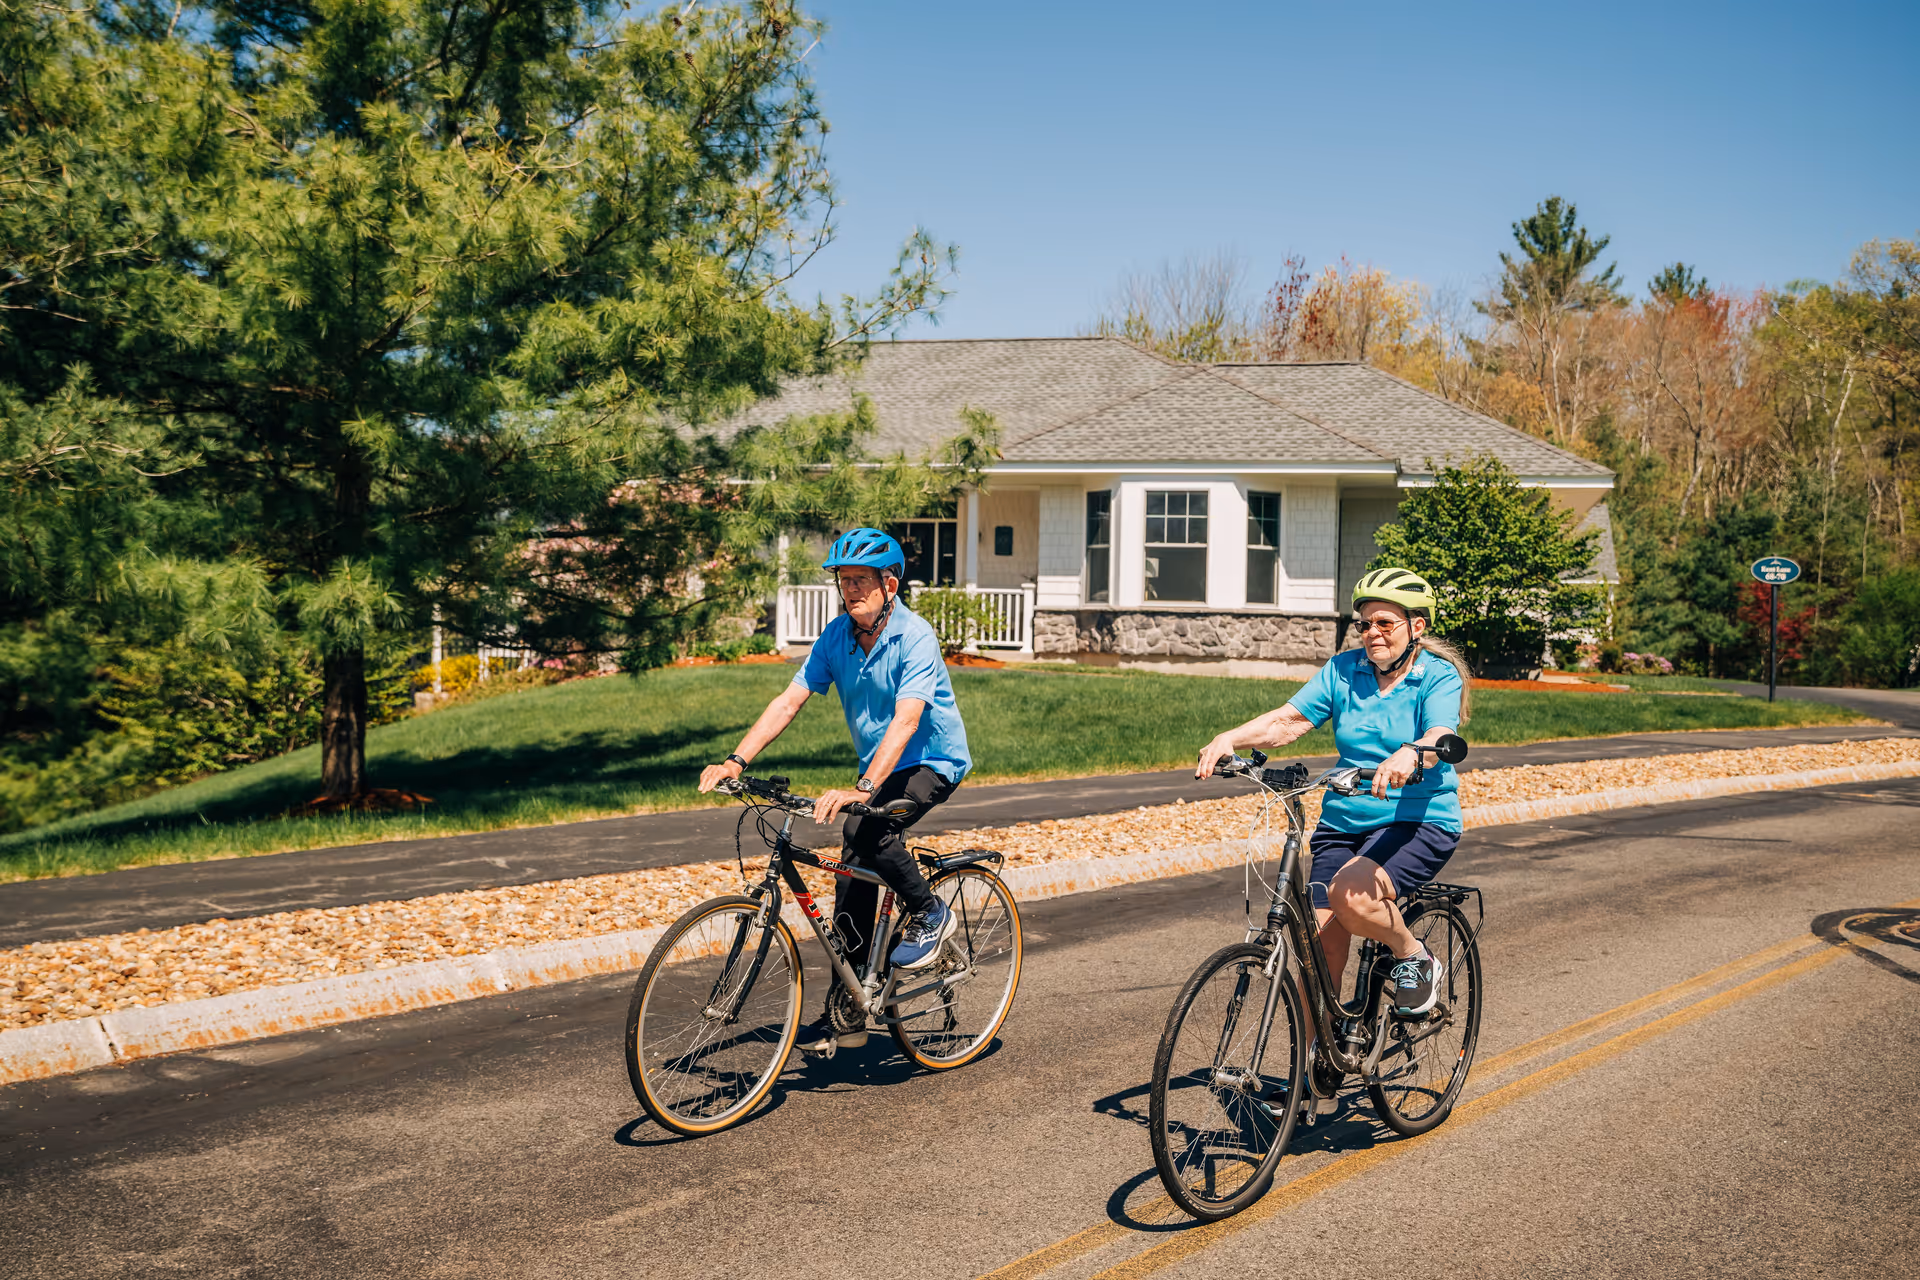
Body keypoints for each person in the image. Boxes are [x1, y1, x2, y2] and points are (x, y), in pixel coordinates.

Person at [698, 527, 973, 1054]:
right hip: (882, 767)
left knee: (863, 823)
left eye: (861, 581)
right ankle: (852, 995)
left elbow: (907, 720)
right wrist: (736, 760)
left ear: (890, 584)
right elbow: (789, 700)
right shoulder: (836, 637)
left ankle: (931, 912)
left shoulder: (915, 636)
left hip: (931, 761)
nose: (850, 590)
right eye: (844, 581)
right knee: (851, 867)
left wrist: (862, 788)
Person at [1194, 567, 1472, 1019]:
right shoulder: (1344, 670)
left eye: (1386, 623)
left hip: (1416, 821)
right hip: (1342, 820)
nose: (1372, 633)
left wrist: (1414, 753)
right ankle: (1317, 1069)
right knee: (1317, 954)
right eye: (1364, 624)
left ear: (1416, 626)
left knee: (1354, 897)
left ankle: (1413, 956)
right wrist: (1231, 737)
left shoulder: (1437, 676)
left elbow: (1440, 733)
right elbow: (1288, 721)